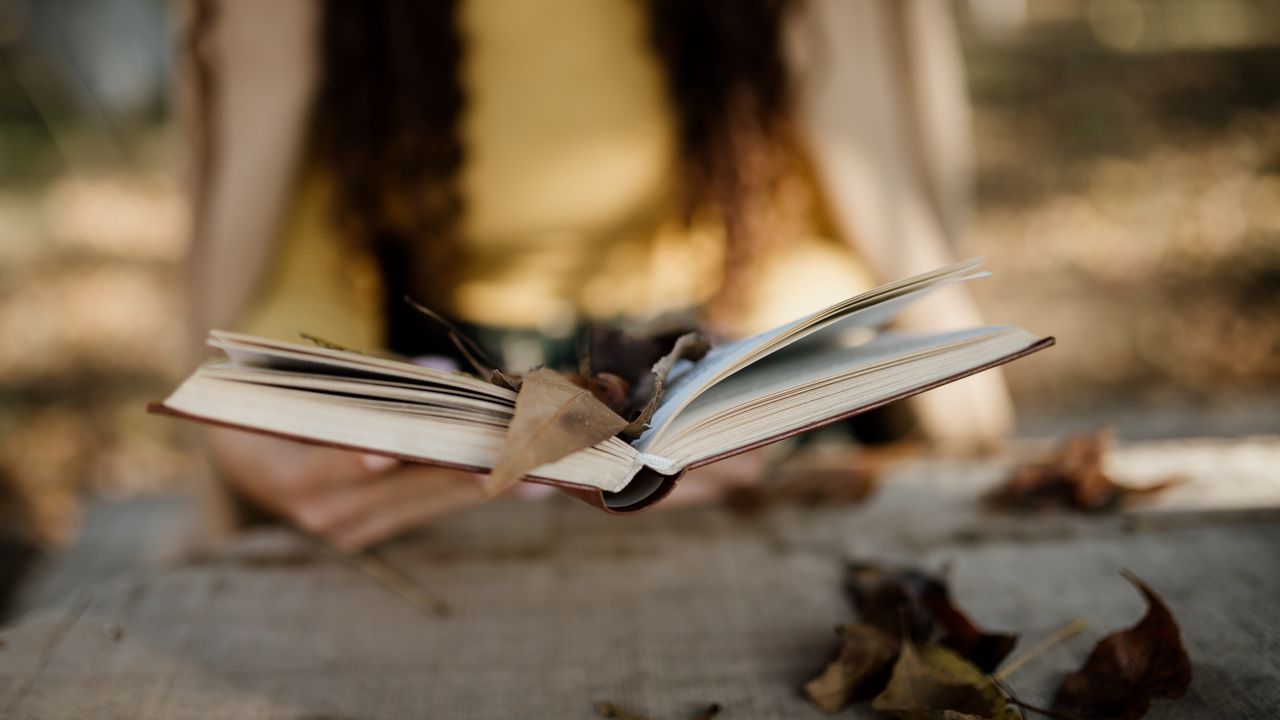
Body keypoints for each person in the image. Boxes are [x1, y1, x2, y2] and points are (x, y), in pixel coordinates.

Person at [179, 0, 1014, 550]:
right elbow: (314, 252)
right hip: (463, 407)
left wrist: (751, 380)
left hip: (720, 373)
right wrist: (289, 404)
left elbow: (823, 229)